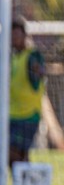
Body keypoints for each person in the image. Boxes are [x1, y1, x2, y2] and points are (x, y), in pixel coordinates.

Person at [8, 17, 46, 169]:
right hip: (13, 113)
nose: (14, 39)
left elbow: (40, 70)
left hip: (29, 114)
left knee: (12, 153)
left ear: (24, 36)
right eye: (12, 36)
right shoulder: (13, 57)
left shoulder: (33, 55)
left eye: (17, 35)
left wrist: (39, 71)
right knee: (20, 156)